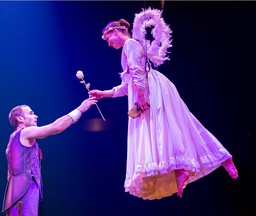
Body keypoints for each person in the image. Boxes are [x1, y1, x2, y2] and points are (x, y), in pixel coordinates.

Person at [89, 18, 238, 200]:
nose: (109, 43)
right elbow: (126, 85)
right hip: (148, 87)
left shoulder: (129, 45)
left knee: (164, 129)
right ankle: (206, 161)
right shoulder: (130, 47)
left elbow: (137, 72)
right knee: (174, 127)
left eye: (108, 39)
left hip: (150, 89)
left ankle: (198, 163)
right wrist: (103, 94)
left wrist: (141, 97)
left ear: (115, 32)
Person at [1, 97, 98, 216]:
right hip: (24, 190)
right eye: (31, 113)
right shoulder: (25, 132)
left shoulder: (13, 139)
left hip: (17, 192)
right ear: (20, 118)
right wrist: (80, 110)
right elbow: (56, 127)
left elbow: (9, 173)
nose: (36, 116)